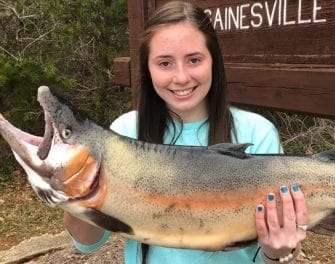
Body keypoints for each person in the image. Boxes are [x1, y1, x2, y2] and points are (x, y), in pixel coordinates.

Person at [63, 1, 308, 263]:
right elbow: (86, 242)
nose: (181, 77)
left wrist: (278, 252)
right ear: (147, 67)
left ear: (214, 61)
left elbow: (272, 257)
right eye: (165, 63)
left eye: (194, 59)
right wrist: (73, 189)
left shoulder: (257, 132)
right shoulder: (125, 131)